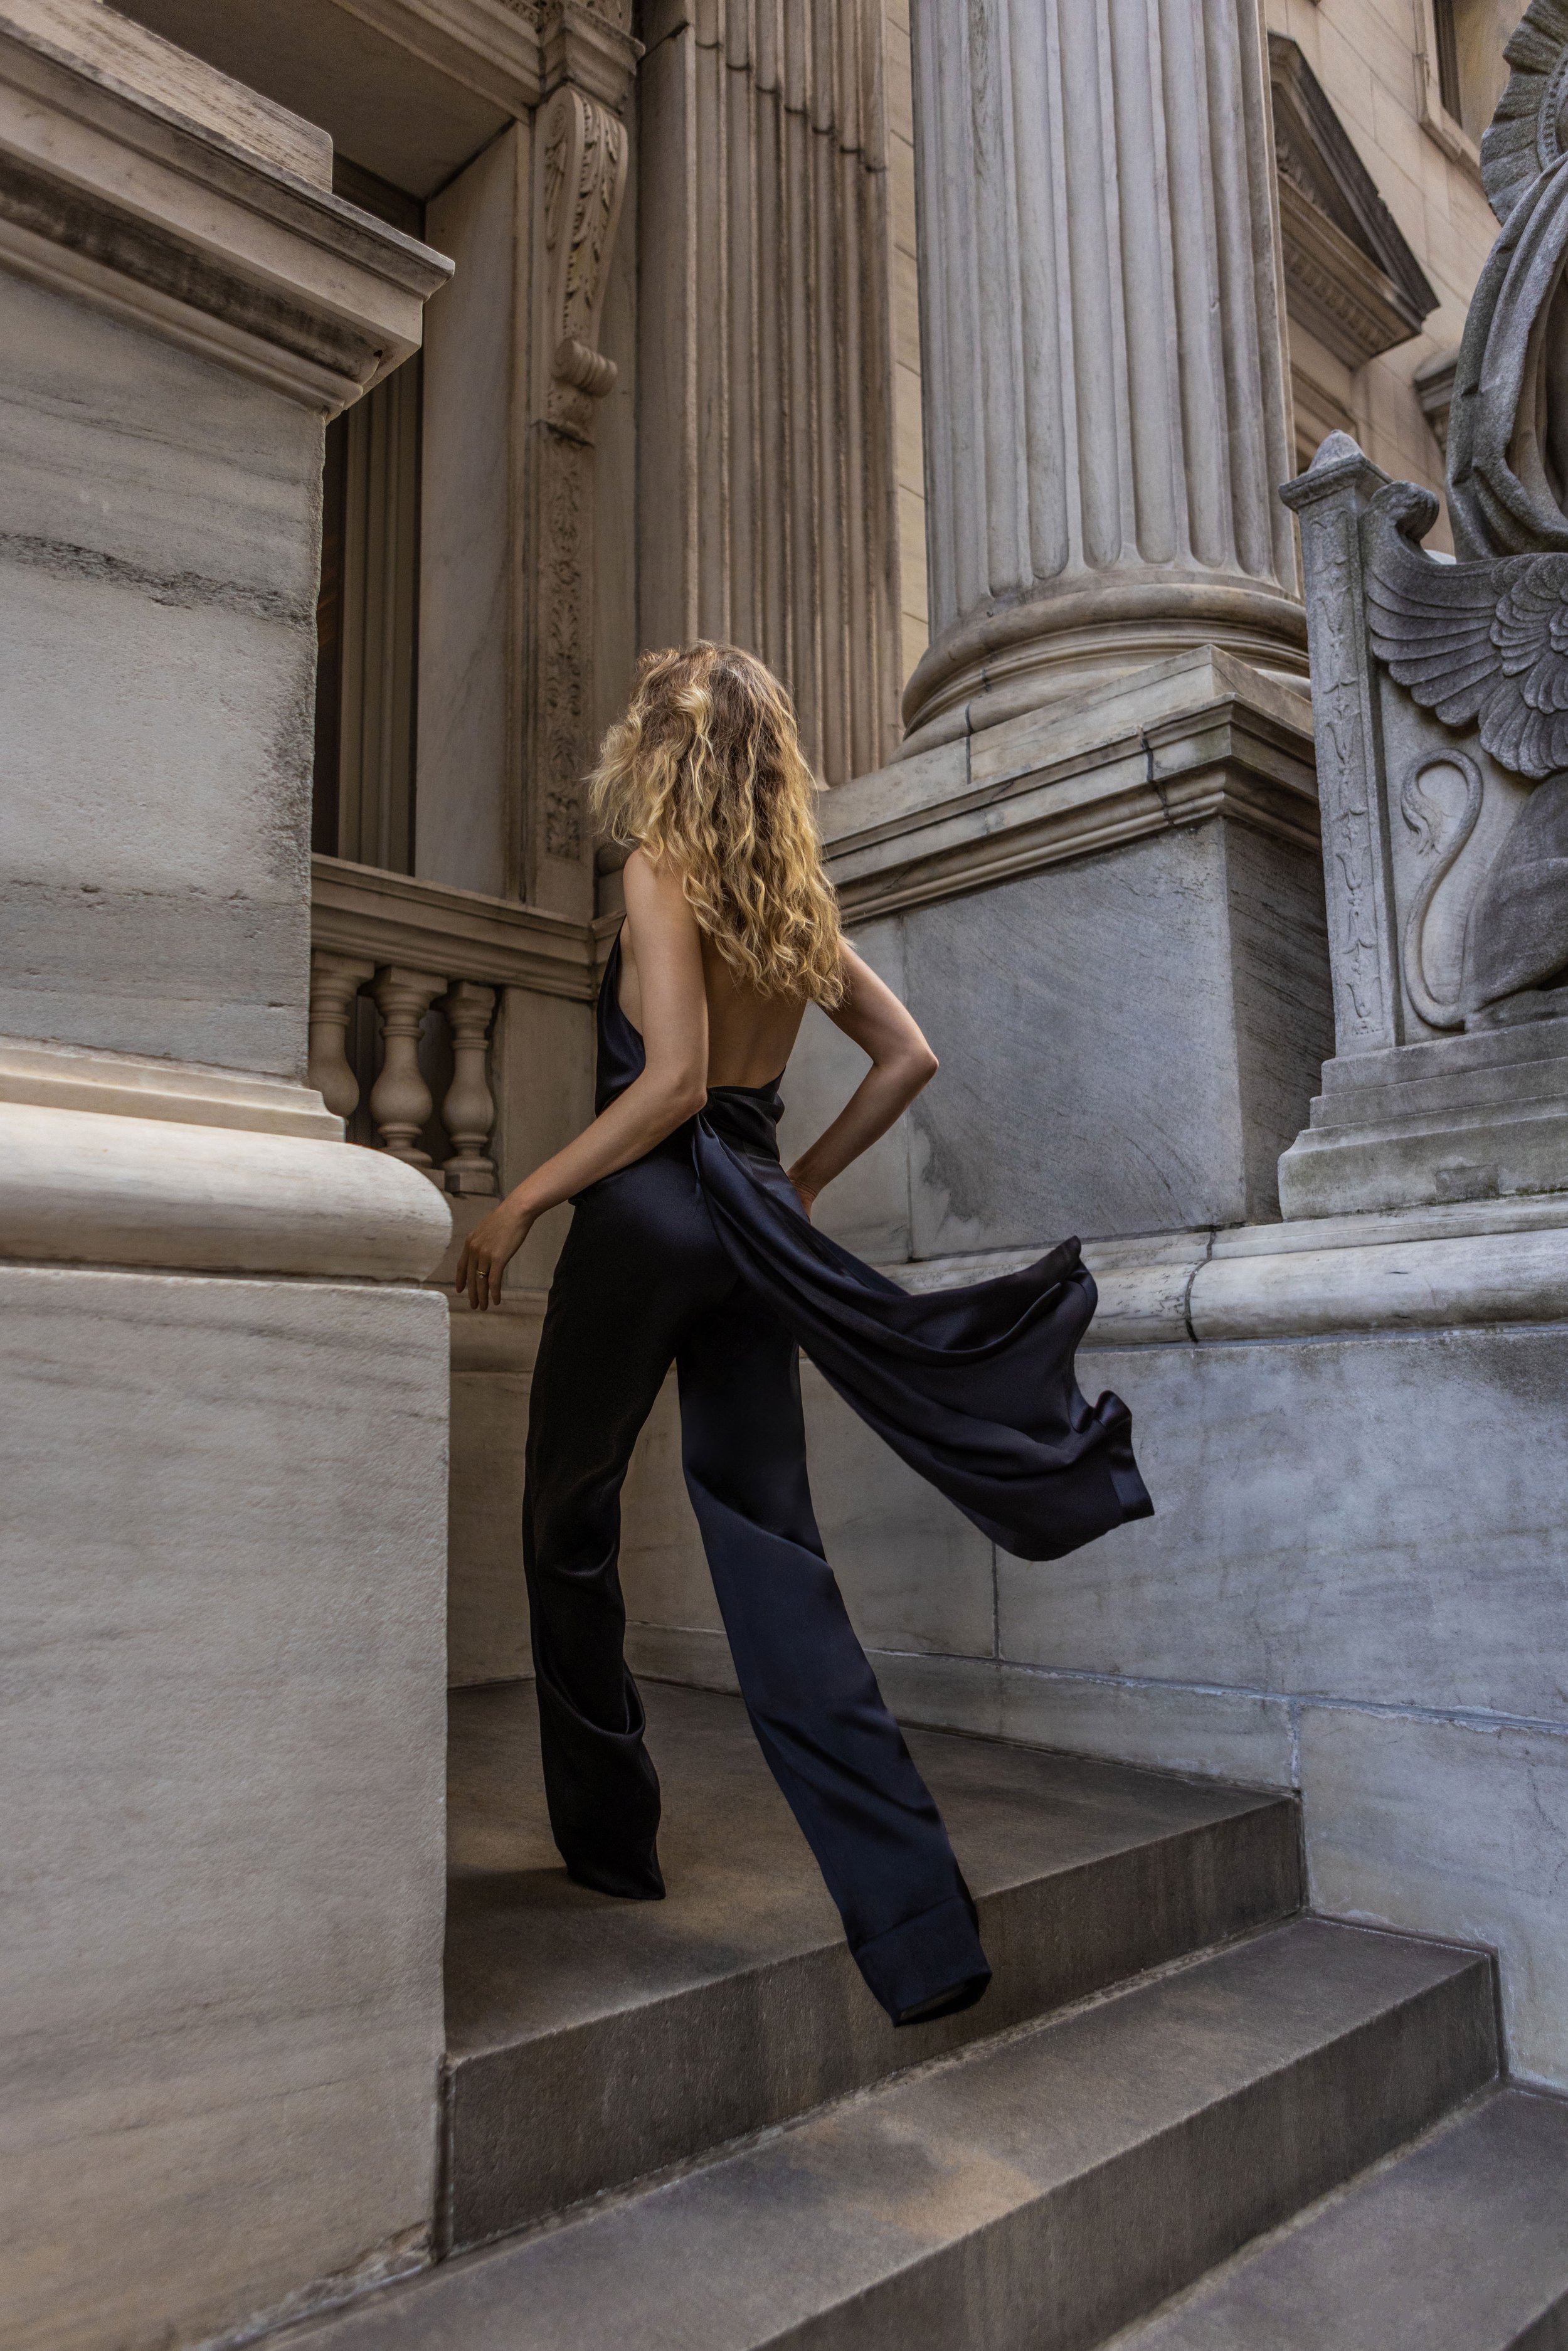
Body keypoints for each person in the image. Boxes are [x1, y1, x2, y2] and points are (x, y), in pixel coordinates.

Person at [456, 642, 1152, 2028]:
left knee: (564, 1513)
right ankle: (914, 1926)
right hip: (751, 1228)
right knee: (778, 1558)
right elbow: (909, 1055)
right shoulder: (787, 900)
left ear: (660, 744)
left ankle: (613, 1841)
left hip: (652, 1212)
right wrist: (803, 1180)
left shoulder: (661, 866)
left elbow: (666, 1087)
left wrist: (523, 1196)